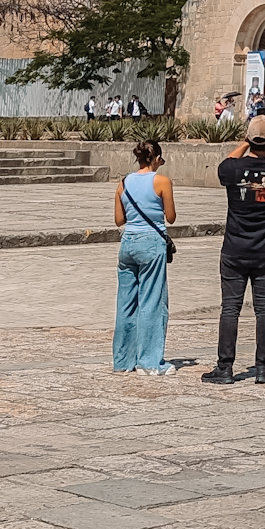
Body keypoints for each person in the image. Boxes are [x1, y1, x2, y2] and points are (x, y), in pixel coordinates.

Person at [205, 116, 265, 384]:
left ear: (248, 138)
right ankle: (263, 368)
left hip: (235, 248)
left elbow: (226, 163)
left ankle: (225, 367)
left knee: (230, 308)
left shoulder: (233, 170)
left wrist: (246, 141)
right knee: (264, 308)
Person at [111, 138, 177, 374]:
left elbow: (119, 220)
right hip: (151, 243)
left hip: (128, 243)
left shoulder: (123, 183)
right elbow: (170, 217)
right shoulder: (161, 182)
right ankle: (150, 361)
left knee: (126, 304)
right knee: (152, 301)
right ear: (156, 158)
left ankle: (122, 360)